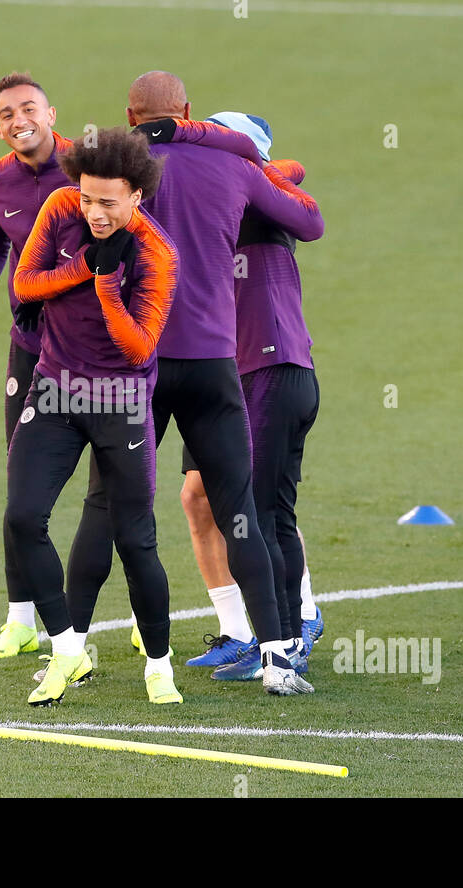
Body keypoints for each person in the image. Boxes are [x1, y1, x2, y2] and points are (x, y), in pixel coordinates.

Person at [63, 71, 324, 696]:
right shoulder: (232, 167)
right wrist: (227, 146)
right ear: (187, 110)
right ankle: (278, 655)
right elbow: (307, 220)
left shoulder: (112, 181)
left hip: (139, 361)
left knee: (106, 504)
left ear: (129, 113)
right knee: (242, 510)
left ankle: (68, 646)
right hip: (213, 363)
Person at [7, 127, 181, 706]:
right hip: (54, 392)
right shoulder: (60, 209)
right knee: (23, 517)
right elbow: (26, 284)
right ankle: (66, 650)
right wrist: (86, 267)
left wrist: (107, 288)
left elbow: (139, 348)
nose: (95, 211)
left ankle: (159, 665)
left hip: (121, 402)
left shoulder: (157, 253)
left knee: (136, 541)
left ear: (137, 196)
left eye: (109, 201)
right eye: (88, 198)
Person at [175, 113, 325, 681]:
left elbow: (290, 177)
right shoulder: (222, 193)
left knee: (258, 511)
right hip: (219, 370)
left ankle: (294, 624)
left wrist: (262, 168)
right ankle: (241, 631)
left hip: (269, 367)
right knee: (199, 498)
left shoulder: (258, 205)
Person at [0, 72, 75, 660]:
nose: (17, 120)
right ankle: (21, 619)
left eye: (28, 108)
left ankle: (137, 617)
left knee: (117, 492)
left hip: (97, 353)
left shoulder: (91, 168)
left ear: (52, 114)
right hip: (29, 347)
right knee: (20, 483)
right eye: (6, 114)